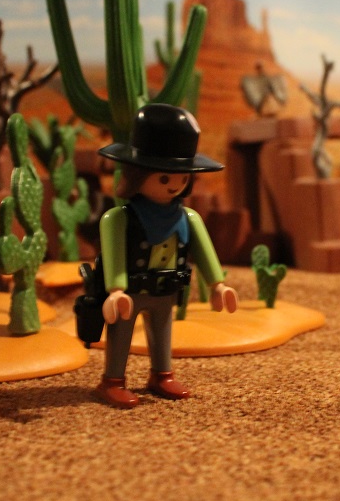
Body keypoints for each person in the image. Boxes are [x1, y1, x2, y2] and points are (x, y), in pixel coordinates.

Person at [95, 103, 238, 407]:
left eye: (182, 178)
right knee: (121, 333)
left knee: (162, 331)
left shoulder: (187, 218)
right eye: (164, 178)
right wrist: (115, 290)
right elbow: (114, 254)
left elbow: (205, 252)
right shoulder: (119, 218)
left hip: (166, 288)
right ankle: (113, 380)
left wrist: (218, 285)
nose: (175, 185)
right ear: (138, 174)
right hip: (130, 291)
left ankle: (162, 375)